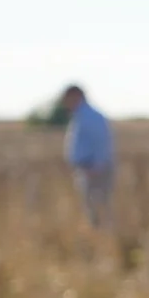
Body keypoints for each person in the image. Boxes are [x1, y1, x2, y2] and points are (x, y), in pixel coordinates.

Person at [59, 84, 113, 227]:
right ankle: (98, 231)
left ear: (76, 97)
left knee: (98, 206)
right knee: (90, 206)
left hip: (93, 169)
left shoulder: (90, 116)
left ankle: (102, 233)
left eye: (67, 99)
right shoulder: (80, 116)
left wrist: (97, 166)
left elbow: (101, 141)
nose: (65, 103)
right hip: (87, 168)